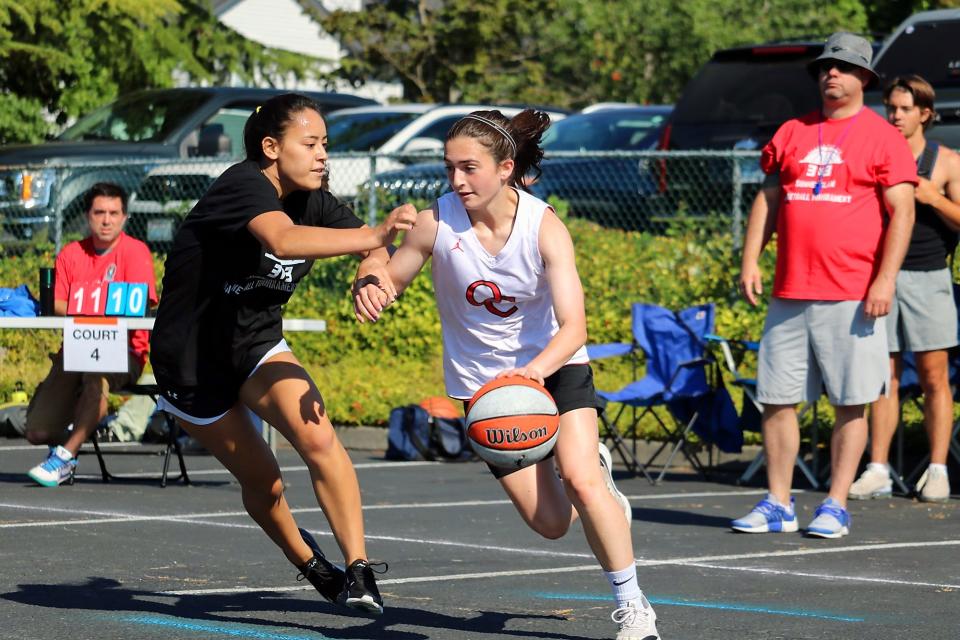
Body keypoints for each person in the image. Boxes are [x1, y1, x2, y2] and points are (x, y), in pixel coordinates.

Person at [354, 109, 660, 640]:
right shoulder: (436, 222)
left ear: (505, 168)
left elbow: (575, 326)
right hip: (483, 390)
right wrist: (374, 284)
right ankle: (598, 483)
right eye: (449, 167)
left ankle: (634, 607)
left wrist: (533, 374)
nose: (456, 180)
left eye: (469, 167)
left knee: (584, 485)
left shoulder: (545, 226)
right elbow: (394, 275)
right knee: (551, 524)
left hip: (554, 368)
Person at [149, 93, 416, 615]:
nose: (323, 155)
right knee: (265, 481)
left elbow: (369, 246)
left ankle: (359, 571)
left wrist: (371, 267)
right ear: (271, 147)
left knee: (319, 437)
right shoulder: (242, 186)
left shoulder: (314, 196)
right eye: (310, 143)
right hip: (193, 359)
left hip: (254, 342)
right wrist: (372, 235)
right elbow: (284, 240)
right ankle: (315, 567)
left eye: (326, 145)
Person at [732, 32, 917, 538]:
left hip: (853, 292)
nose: (829, 73)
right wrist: (751, 259)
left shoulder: (883, 137)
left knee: (850, 400)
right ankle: (778, 502)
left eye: (841, 67)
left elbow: (902, 211)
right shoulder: (792, 131)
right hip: (790, 290)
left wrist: (884, 279)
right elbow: (768, 198)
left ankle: (835, 503)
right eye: (823, 67)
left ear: (864, 77)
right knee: (776, 397)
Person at [850, 75, 960, 503]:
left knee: (934, 377)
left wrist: (933, 198)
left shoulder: (947, 161)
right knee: (884, 378)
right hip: (882, 278)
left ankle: (937, 471)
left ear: (925, 114)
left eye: (904, 109)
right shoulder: (878, 152)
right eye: (890, 107)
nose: (894, 115)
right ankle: (877, 467)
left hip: (930, 278)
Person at [25, 182, 158, 486]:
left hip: (124, 352)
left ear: (125, 217)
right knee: (37, 431)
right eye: (100, 212)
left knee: (95, 380)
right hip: (76, 350)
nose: (106, 220)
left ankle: (65, 457)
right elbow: (56, 304)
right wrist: (92, 313)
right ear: (88, 216)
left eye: (113, 213)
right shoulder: (71, 254)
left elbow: (140, 305)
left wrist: (91, 313)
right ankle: (77, 430)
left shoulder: (136, 252)